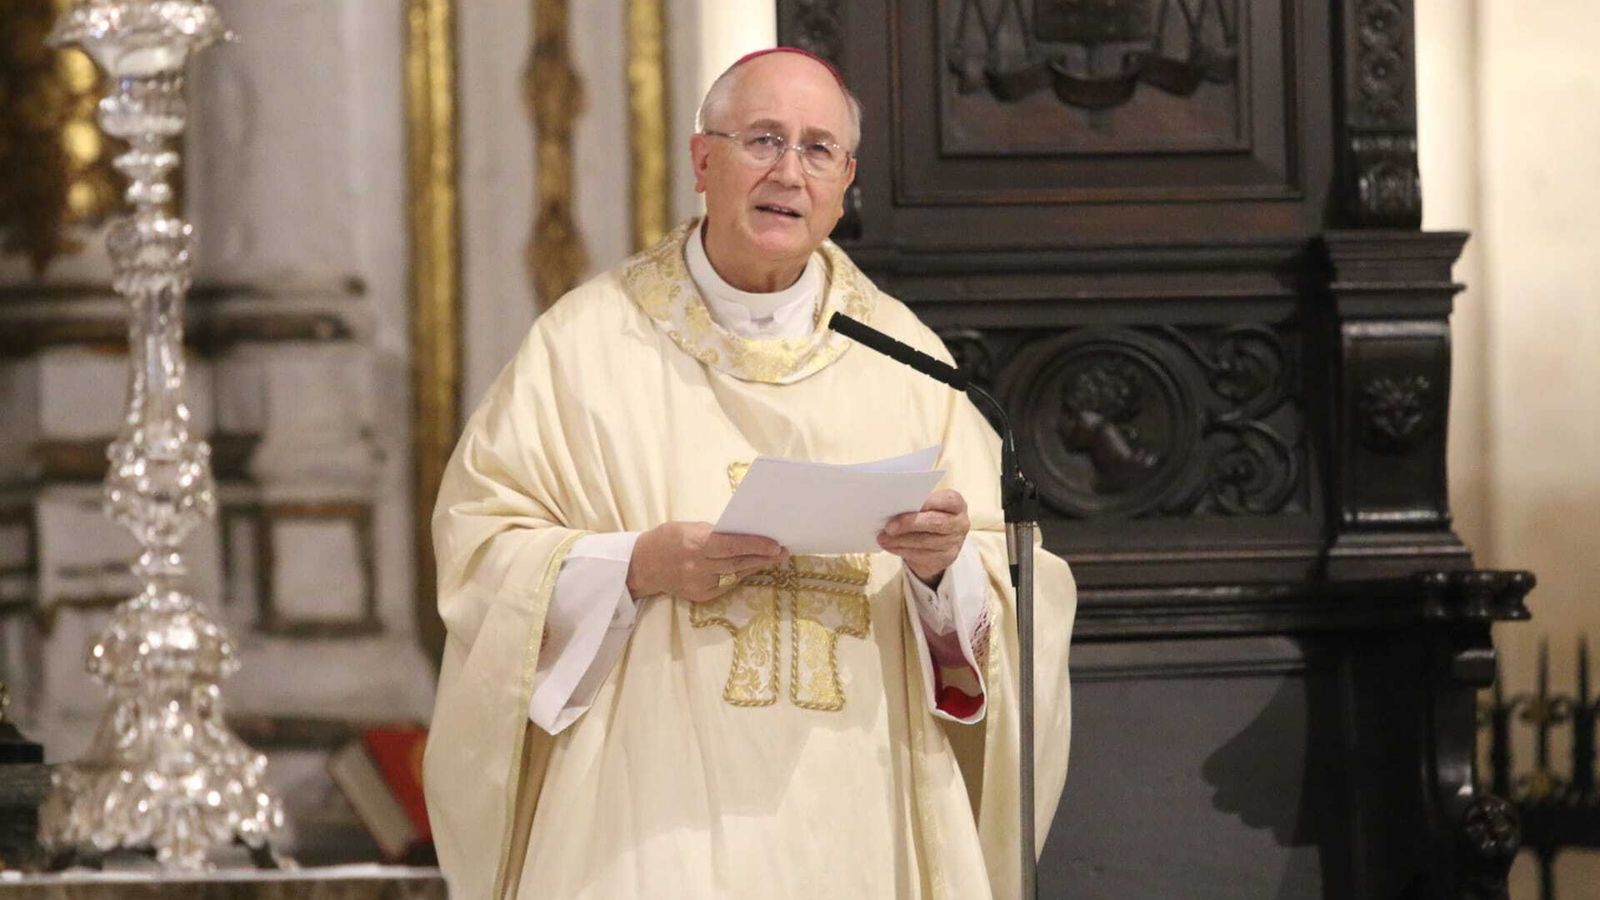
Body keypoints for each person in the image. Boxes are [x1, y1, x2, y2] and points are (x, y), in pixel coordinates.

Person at [422, 47, 1077, 900]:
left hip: (860, 811)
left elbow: (1004, 600)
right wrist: (636, 565)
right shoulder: (585, 348)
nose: (788, 173)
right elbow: (479, 551)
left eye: (817, 150)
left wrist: (941, 569)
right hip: (646, 814)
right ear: (703, 159)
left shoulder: (910, 362)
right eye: (762, 140)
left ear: (845, 182)